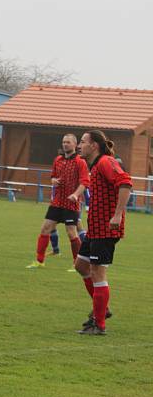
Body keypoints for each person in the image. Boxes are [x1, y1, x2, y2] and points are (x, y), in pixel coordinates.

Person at [73, 130, 132, 335]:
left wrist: (117, 215)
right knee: (81, 266)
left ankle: (99, 325)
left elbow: (125, 183)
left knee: (98, 272)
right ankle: (102, 309)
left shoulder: (107, 162)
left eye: (82, 142)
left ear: (94, 146)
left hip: (106, 229)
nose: (79, 145)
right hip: (95, 229)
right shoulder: (96, 165)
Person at [26, 134, 90, 269]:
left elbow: (85, 182)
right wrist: (53, 181)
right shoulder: (58, 160)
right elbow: (53, 177)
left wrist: (75, 194)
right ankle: (39, 261)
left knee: (71, 232)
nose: (65, 144)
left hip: (71, 203)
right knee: (45, 228)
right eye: (63, 142)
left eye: (68, 142)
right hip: (57, 202)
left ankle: (77, 264)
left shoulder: (80, 162)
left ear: (75, 144)